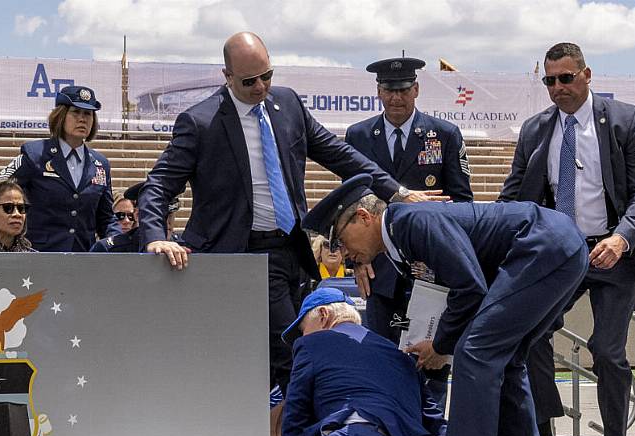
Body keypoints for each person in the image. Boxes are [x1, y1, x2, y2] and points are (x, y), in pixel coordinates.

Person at [137, 31, 435, 400]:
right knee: (290, 357)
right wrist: (154, 235)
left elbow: (339, 155)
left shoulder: (288, 104)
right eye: (249, 81)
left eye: (267, 76)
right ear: (226, 76)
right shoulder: (200, 122)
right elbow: (159, 184)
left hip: (292, 251)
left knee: (284, 354)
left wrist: (397, 191)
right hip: (237, 254)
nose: (261, 86)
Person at [303, 174, 589, 436]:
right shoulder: (401, 240)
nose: (344, 253)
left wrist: (441, 346)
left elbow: (469, 287)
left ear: (364, 217)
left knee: (476, 354)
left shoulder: (411, 221)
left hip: (543, 246)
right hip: (556, 245)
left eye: (341, 240)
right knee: (506, 359)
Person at [499, 43, 635, 436]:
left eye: (565, 78)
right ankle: (542, 433)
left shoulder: (624, 120)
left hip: (614, 252)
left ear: (587, 75)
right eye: (549, 80)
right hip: (559, 252)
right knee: (528, 335)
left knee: (607, 351)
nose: (557, 88)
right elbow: (513, 197)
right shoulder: (535, 131)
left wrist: (622, 239)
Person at [220, 287, 447, 436]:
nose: (301, 336)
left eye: (302, 328)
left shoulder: (312, 344)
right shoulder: (400, 354)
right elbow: (435, 425)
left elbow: (295, 419)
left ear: (324, 315)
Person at [345, 57, 473, 408]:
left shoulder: (444, 135)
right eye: (389, 90)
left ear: (416, 89)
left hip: (430, 271)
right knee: (384, 361)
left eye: (403, 90)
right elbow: (350, 210)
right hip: (380, 271)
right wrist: (356, 262)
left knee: (430, 363)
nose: (396, 98)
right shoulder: (358, 136)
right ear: (378, 92)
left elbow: (462, 203)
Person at [0, 85, 121, 251]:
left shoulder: (100, 164)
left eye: (88, 113)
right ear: (61, 116)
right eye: (75, 112)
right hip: (37, 260)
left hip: (83, 260)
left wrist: (120, 245)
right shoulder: (35, 155)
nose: (82, 119)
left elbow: (106, 218)